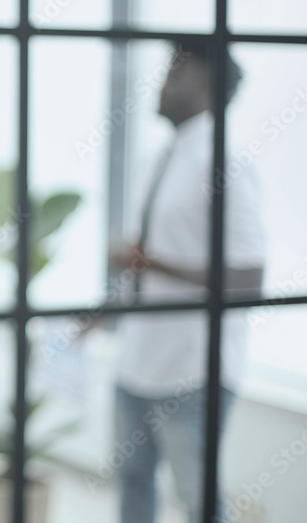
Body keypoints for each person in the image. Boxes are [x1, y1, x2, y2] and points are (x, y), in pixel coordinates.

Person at [109, 42, 266, 523]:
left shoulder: (226, 163)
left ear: (205, 85)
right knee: (133, 492)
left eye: (173, 75)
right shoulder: (161, 157)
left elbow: (249, 278)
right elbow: (148, 261)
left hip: (192, 370)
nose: (161, 85)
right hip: (138, 361)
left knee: (198, 502)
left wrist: (151, 262)